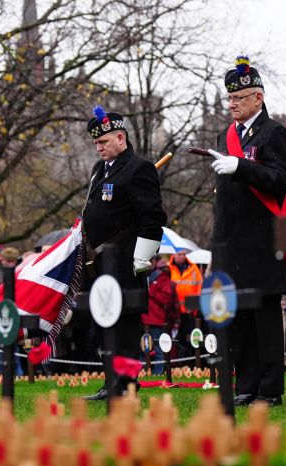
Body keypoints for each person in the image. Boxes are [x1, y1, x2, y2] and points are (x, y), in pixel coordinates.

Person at [207, 57, 286, 407]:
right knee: (238, 318)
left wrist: (242, 167)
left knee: (264, 319)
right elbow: (221, 202)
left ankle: (270, 390)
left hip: (262, 240)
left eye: (239, 98)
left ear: (257, 98)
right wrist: (216, 247)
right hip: (231, 242)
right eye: (229, 100)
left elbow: (279, 181)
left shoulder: (274, 133)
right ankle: (246, 385)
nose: (232, 105)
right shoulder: (224, 136)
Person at [80, 105, 165, 401]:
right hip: (99, 262)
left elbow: (153, 217)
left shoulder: (138, 167)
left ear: (120, 137)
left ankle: (126, 383)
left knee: (125, 324)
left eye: (103, 142)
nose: (99, 147)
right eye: (96, 143)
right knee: (104, 322)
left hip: (127, 260)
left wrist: (143, 256)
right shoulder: (98, 170)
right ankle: (110, 381)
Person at [140, 258, 180, 375]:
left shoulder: (162, 278)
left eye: (151, 261)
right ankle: (143, 373)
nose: (149, 263)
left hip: (155, 319)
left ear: (154, 262)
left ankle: (157, 373)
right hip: (142, 318)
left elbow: (166, 298)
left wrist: (151, 291)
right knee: (142, 348)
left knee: (158, 349)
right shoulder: (140, 275)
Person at [168, 249, 203, 364]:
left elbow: (199, 289)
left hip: (190, 312)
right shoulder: (169, 269)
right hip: (175, 312)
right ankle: (176, 364)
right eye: (180, 254)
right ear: (174, 255)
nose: (182, 256)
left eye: (184, 254)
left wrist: (196, 309)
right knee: (175, 341)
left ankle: (190, 364)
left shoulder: (193, 269)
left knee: (190, 340)